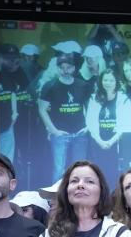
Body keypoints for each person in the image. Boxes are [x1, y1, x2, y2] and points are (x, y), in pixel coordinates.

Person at [38, 46, 92, 181]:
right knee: (59, 170)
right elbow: (42, 109)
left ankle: (80, 198)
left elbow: (90, 106)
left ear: (74, 68)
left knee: (80, 170)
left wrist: (89, 125)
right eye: (62, 67)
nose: (65, 71)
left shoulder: (82, 85)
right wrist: (53, 130)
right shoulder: (49, 86)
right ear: (57, 69)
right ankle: (56, 200)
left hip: (80, 133)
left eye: (68, 67)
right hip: (60, 134)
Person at [86, 68, 131, 175]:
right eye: (105, 80)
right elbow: (90, 123)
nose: (108, 83)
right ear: (101, 81)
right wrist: (100, 141)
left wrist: (111, 141)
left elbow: (127, 123)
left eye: (111, 80)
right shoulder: (94, 98)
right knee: (99, 172)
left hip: (117, 142)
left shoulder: (123, 99)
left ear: (116, 82)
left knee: (116, 173)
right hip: (98, 142)